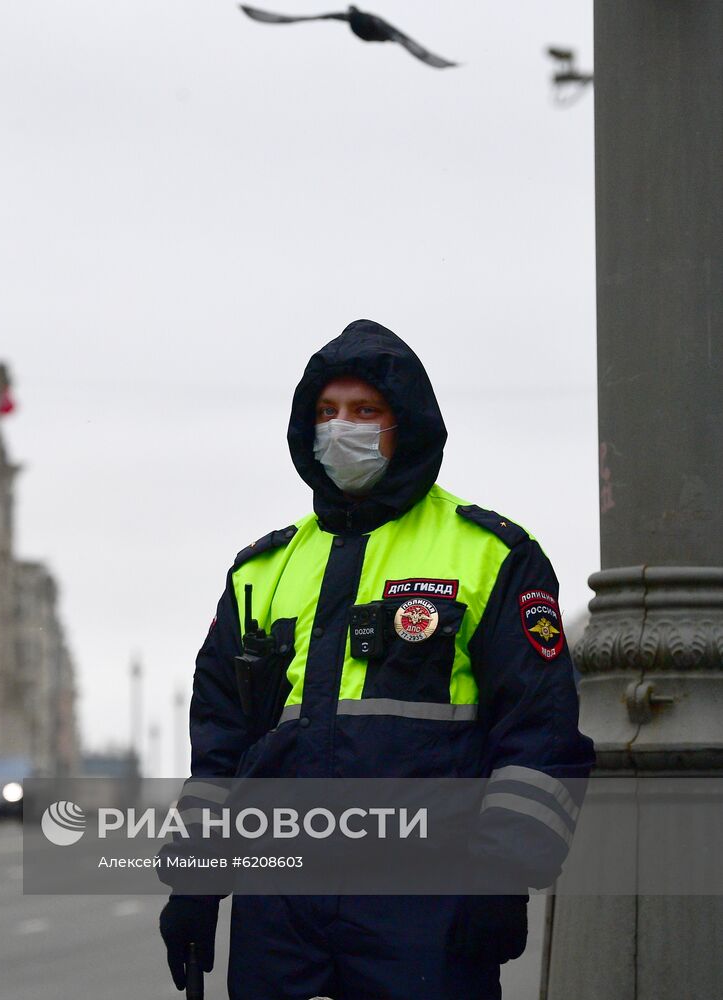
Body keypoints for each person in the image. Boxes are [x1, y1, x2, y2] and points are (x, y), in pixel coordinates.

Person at [158, 320, 595, 999]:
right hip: (279, 905)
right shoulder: (259, 571)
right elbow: (220, 748)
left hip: (425, 900)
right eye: (326, 413)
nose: (342, 428)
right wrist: (194, 884)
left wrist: (502, 878)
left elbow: (537, 732)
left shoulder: (490, 554)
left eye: (365, 411)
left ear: (405, 425)